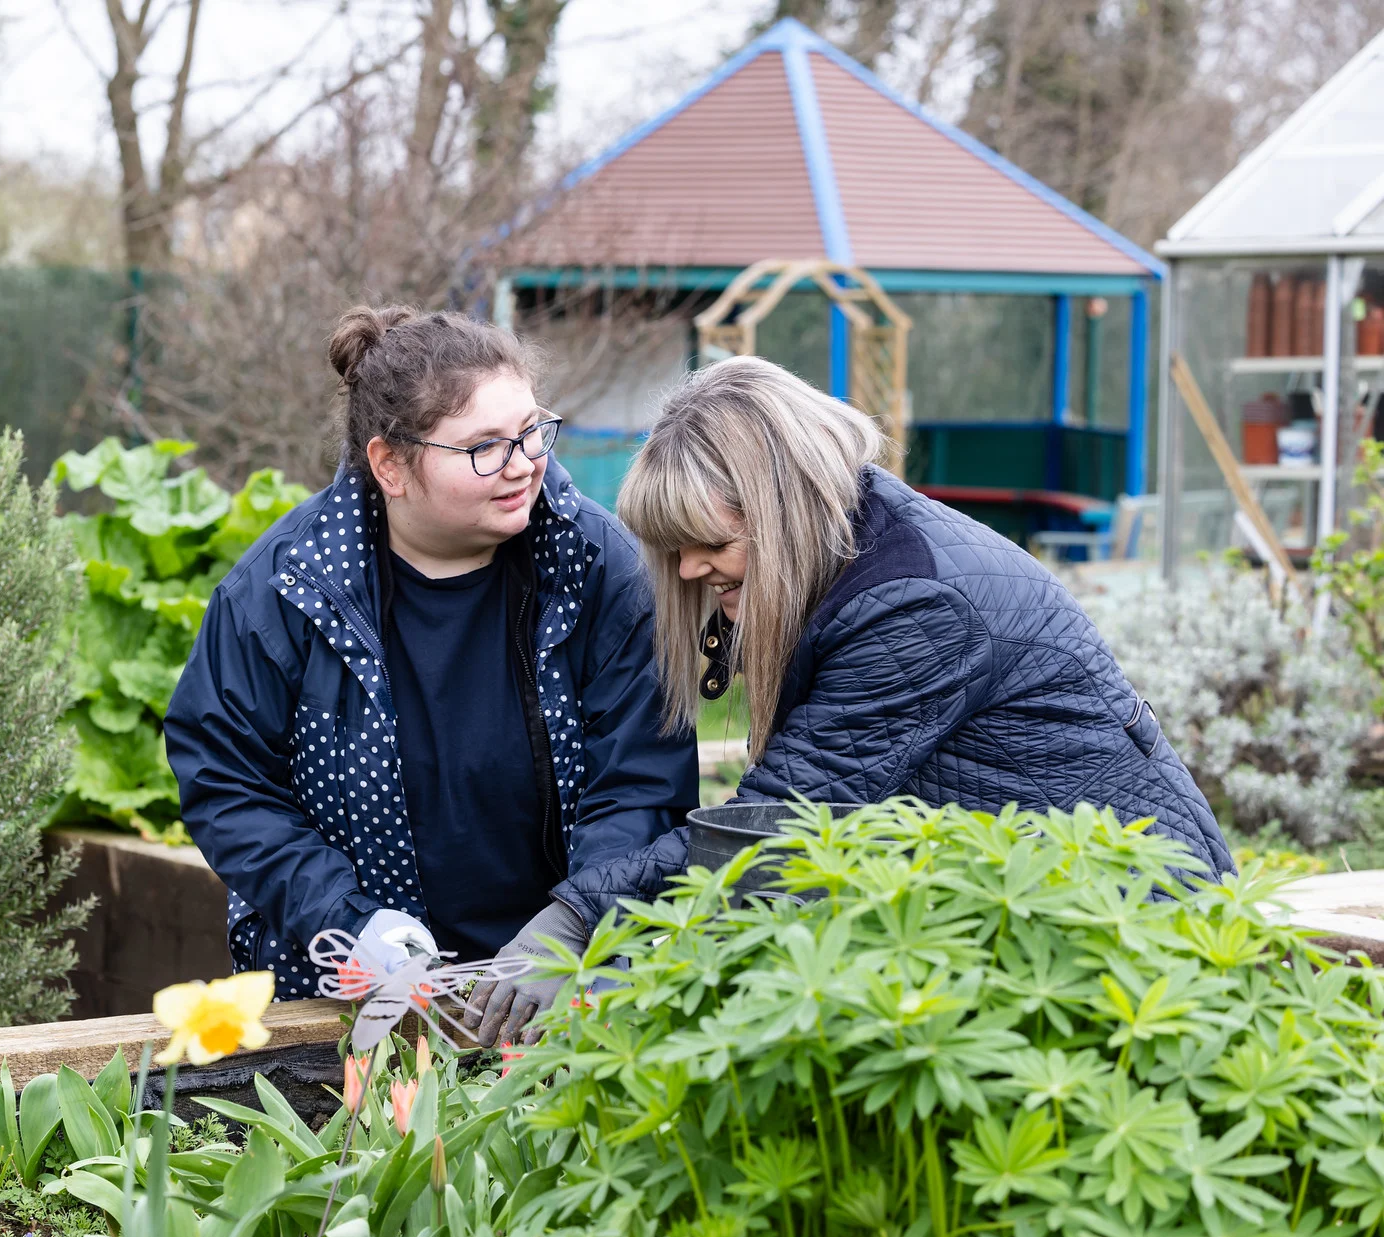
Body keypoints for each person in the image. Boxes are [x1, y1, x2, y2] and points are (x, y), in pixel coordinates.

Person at [466, 356, 1235, 1036]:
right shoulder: (853, 539)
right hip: (1049, 915)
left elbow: (774, 834)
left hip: (1144, 922)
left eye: (711, 543)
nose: (691, 569)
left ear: (780, 510)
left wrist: (578, 920)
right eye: (676, 549)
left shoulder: (913, 609)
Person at [163, 304, 699, 1021]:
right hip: (352, 1000)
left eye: (531, 430)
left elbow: (641, 781)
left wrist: (576, 924)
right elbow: (226, 780)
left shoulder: (598, 568)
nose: (524, 464)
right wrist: (349, 921)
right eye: (484, 448)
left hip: (565, 990)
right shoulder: (284, 591)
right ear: (391, 464)